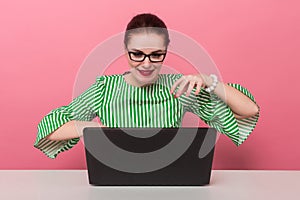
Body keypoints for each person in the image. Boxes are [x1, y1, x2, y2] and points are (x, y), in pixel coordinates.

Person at [34, 13, 260, 159]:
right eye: (137, 54)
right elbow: (49, 130)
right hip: (116, 181)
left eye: (156, 55)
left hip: (170, 179)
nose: (146, 64)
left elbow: (249, 111)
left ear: (165, 52)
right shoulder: (104, 89)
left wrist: (209, 80)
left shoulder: (179, 87)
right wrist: (88, 128)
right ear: (125, 50)